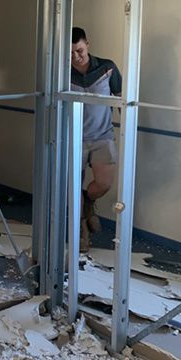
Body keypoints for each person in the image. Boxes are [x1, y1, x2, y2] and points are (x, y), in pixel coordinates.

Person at [71, 26, 122, 252]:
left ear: (87, 44)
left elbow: (122, 99)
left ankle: (88, 202)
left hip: (102, 136)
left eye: (79, 50)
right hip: (73, 138)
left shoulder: (107, 68)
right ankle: (81, 233)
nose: (76, 57)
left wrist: (128, 130)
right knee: (71, 189)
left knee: (103, 184)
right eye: (71, 52)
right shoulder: (61, 71)